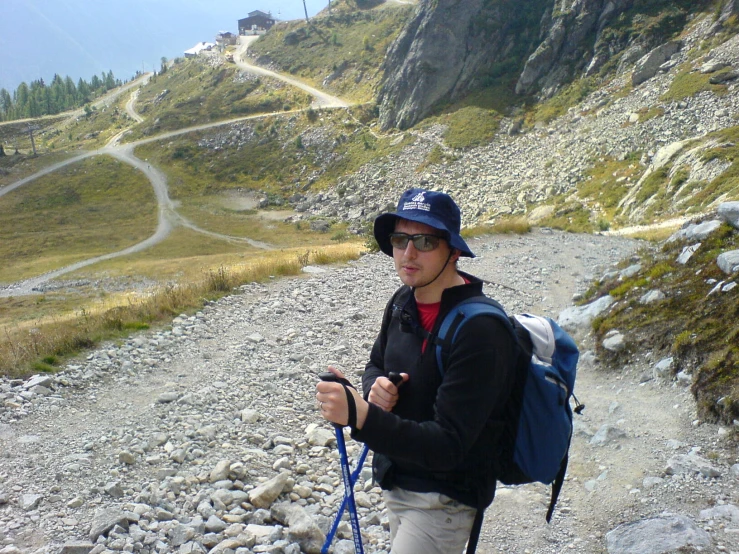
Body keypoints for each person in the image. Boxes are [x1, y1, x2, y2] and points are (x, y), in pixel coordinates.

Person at [315, 188, 518, 554]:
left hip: (444, 500)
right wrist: (374, 387)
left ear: (453, 251)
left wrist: (362, 416)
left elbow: (449, 445)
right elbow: (377, 362)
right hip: (399, 481)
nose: (408, 254)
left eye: (424, 241)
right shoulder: (402, 302)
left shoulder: (482, 330)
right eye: (400, 239)